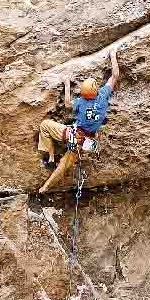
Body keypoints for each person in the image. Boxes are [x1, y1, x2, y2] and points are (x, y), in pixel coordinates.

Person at [36, 48, 120, 193]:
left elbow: (68, 103)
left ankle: (50, 155)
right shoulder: (102, 96)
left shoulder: (82, 102)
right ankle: (46, 187)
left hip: (73, 134)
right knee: (65, 165)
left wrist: (67, 83)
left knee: (45, 125)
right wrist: (113, 55)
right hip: (86, 141)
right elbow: (115, 76)